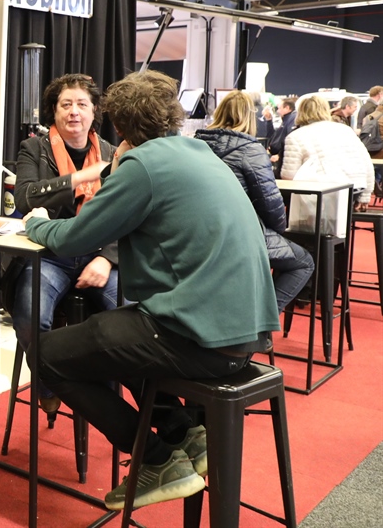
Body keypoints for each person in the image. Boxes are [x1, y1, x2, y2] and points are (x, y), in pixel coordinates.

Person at [23, 70, 279, 512]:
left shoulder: (143, 166)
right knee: (114, 334)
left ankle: (156, 460)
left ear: (118, 126)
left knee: (46, 354)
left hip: (200, 339)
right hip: (245, 335)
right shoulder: (198, 151)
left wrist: (36, 224)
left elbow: (73, 237)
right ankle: (183, 431)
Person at [11, 73, 119, 415]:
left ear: (94, 111)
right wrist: (81, 177)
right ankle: (50, 384)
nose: (74, 111)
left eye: (82, 104)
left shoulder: (112, 153)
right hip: (49, 254)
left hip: (98, 254)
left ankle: (101, 391)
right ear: (54, 111)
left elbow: (127, 214)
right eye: (66, 104)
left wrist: (107, 259)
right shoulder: (34, 149)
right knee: (29, 317)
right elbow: (25, 198)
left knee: (133, 318)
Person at [195, 91, 314, 314]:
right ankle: (260, 320)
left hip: (196, 232)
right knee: (303, 263)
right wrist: (279, 230)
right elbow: (270, 204)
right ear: (250, 117)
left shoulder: (194, 144)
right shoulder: (251, 149)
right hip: (238, 234)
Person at [281, 95, 375, 212]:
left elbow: (289, 176)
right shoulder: (346, 130)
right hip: (354, 188)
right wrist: (365, 196)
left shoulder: (295, 136)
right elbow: (366, 163)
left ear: (300, 112)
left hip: (323, 192)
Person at [268, 96, 297, 178]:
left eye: (279, 108)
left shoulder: (291, 119)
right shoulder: (286, 120)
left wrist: (279, 155)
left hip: (282, 158)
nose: (278, 111)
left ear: (287, 108)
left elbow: (288, 139)